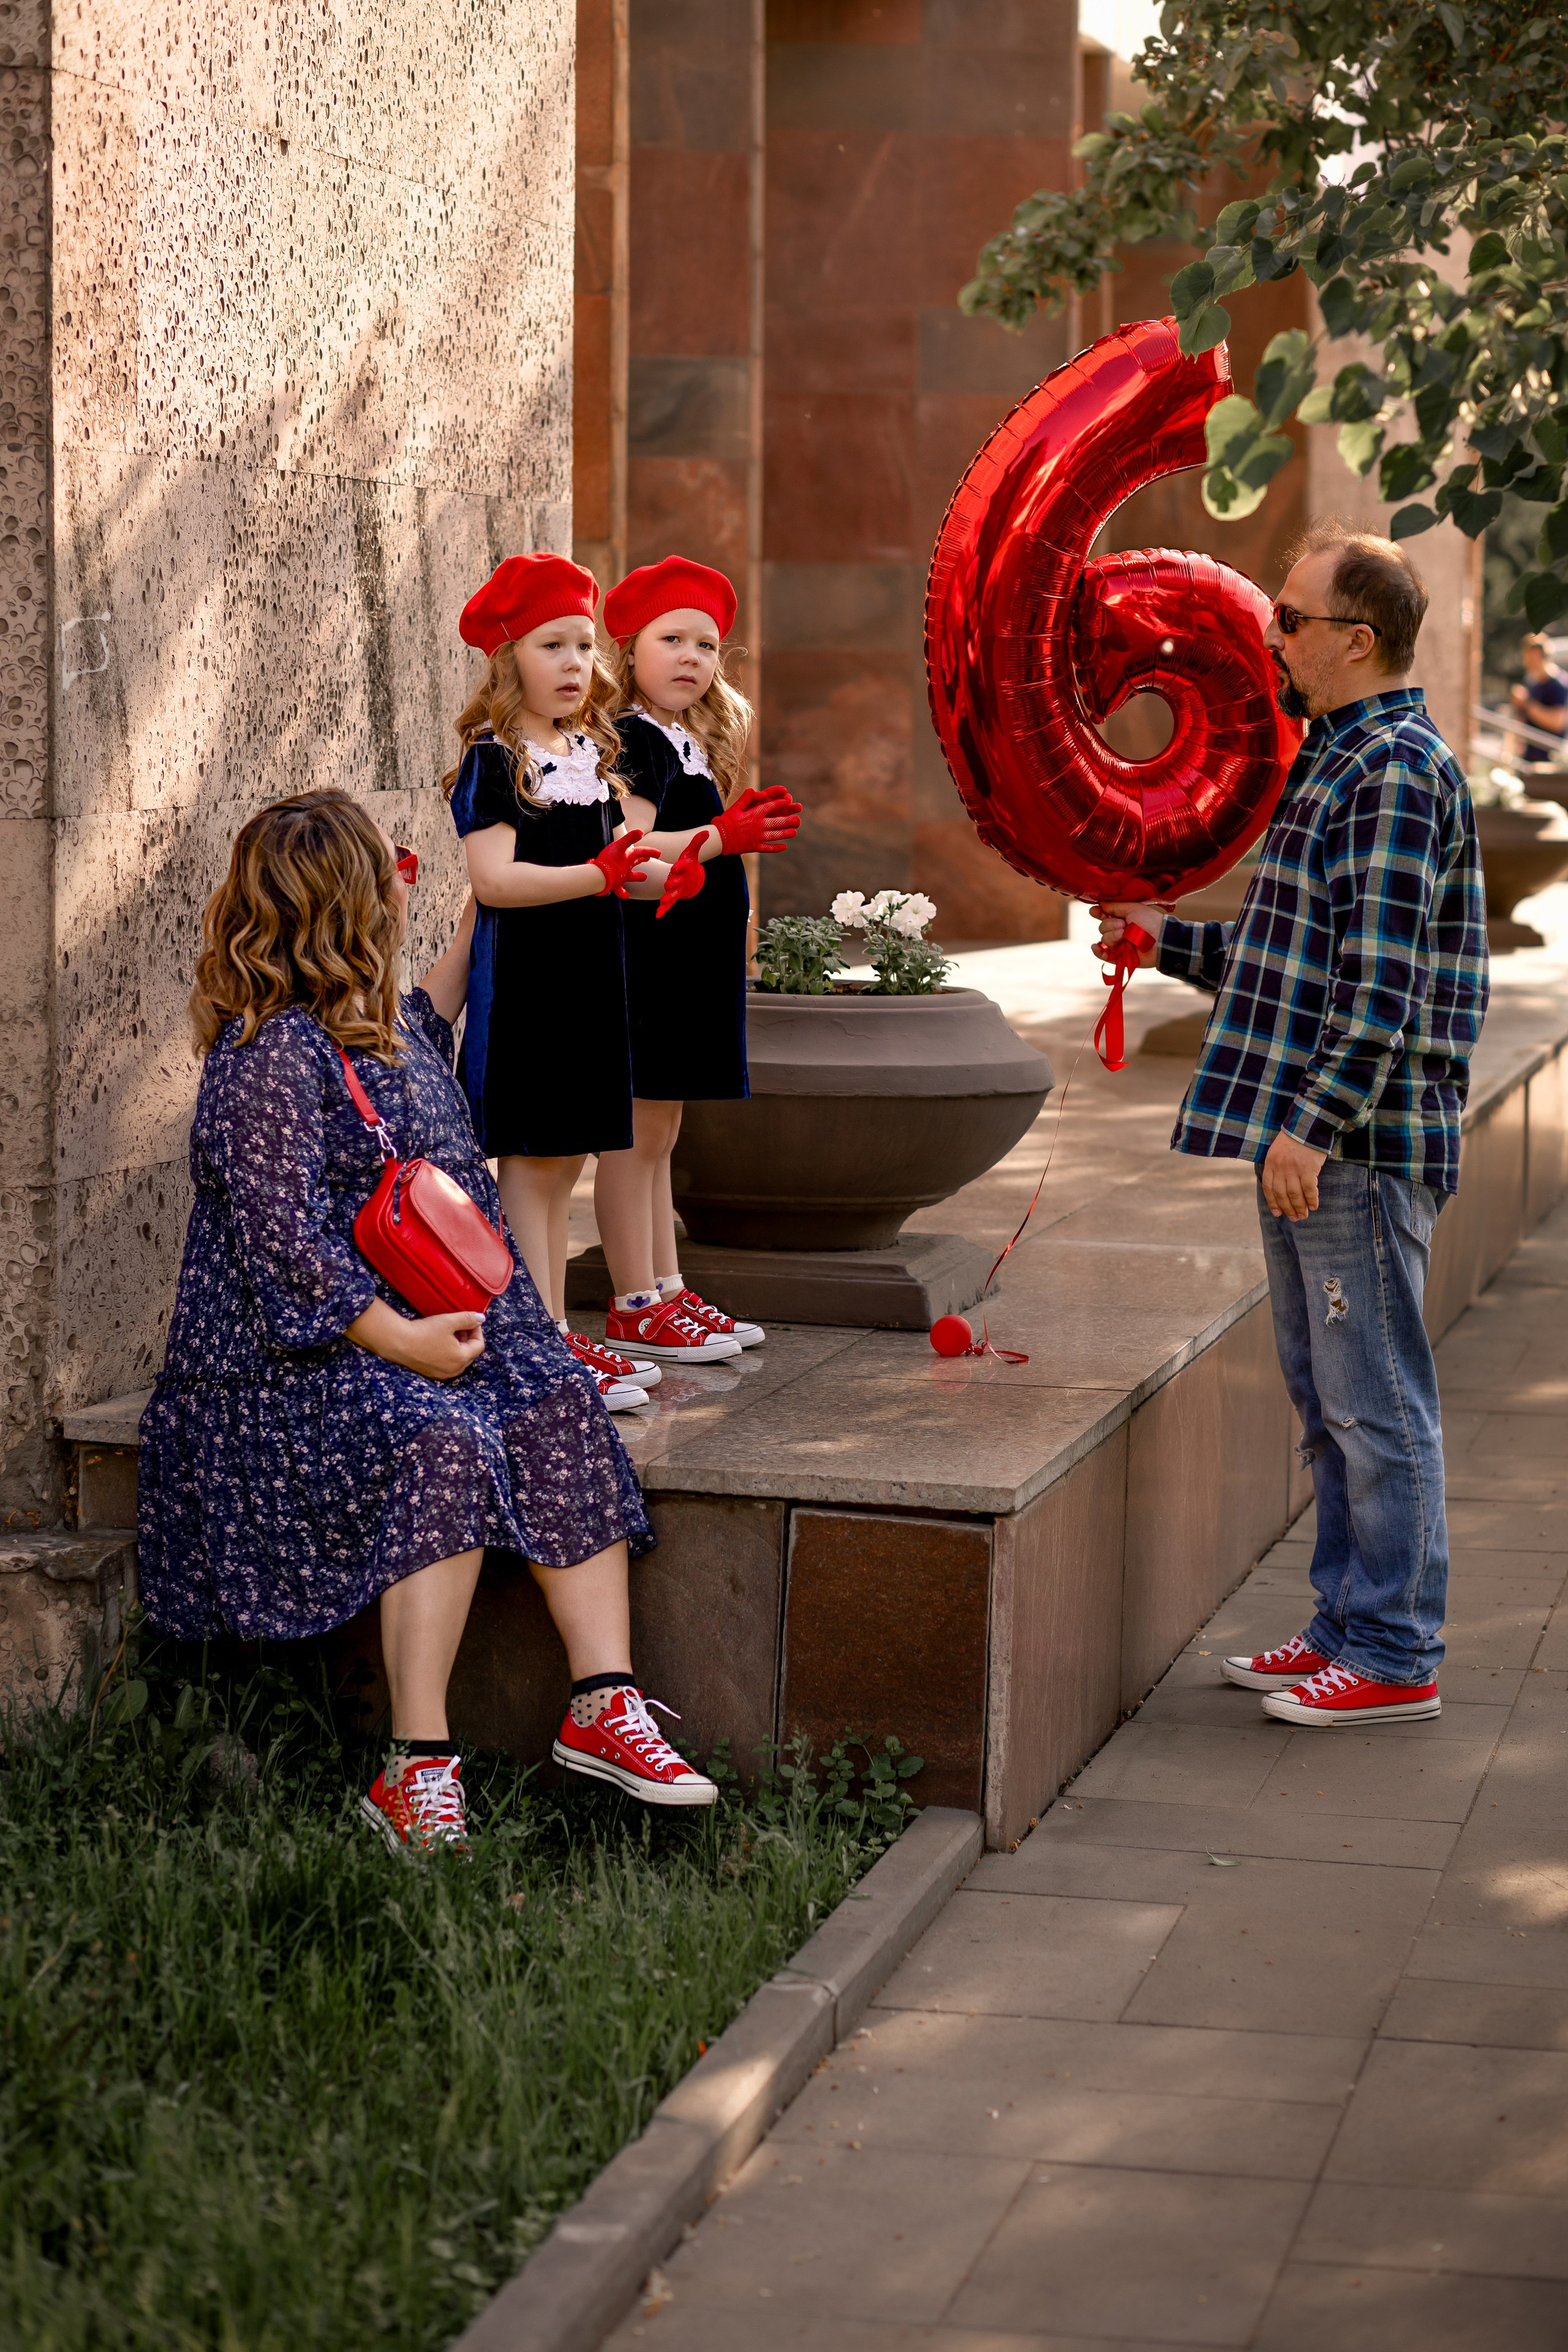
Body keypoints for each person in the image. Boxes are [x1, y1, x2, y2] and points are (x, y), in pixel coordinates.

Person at [138, 790, 718, 1855]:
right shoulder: (270, 1053)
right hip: (284, 1362)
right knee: (440, 1439)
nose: (403, 895)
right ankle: (415, 1767)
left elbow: (454, 975)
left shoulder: (387, 1023)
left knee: (552, 1398)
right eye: (389, 878)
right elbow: (282, 1240)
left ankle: (603, 1704)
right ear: (348, 906)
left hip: (412, 1330)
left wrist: (514, 859)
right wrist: (400, 1340)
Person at [1096, 523, 1488, 1726]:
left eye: (1289, 618)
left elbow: (1378, 991)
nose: (1268, 633)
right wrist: (1167, 941)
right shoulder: (1340, 753)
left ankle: (1394, 1652)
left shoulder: (1392, 769)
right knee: (1330, 1401)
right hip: (1327, 1137)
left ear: (1354, 641)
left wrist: (1309, 1128)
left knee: (1373, 1401)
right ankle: (1345, 1625)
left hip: (1355, 1147)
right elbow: (1297, 961)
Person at [443, 550, 673, 1409]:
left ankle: (556, 1334)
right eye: (552, 646)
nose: (576, 663)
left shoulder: (586, 754)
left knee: (566, 1162)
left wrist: (674, 874)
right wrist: (599, 877)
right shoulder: (496, 761)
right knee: (532, 1166)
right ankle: (537, 1347)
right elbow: (495, 882)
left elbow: (619, 866)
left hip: (589, 988)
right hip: (530, 992)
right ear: (510, 661)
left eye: (584, 646)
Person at [596, 555, 802, 1363]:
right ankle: (633, 1303)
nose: (691, 656)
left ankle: (667, 1289)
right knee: (637, 1135)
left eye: (707, 645)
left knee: (663, 1133)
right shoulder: (635, 739)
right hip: (653, 963)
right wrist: (725, 835)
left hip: (691, 968)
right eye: (671, 639)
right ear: (628, 652)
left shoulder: (683, 738)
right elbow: (633, 854)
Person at [1509, 631, 1568, 765]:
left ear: (1542, 656)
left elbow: (1557, 723)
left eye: (1532, 656)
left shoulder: (1558, 684)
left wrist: (1526, 703)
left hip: (1550, 759)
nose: (1528, 661)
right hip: (1529, 755)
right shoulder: (1532, 682)